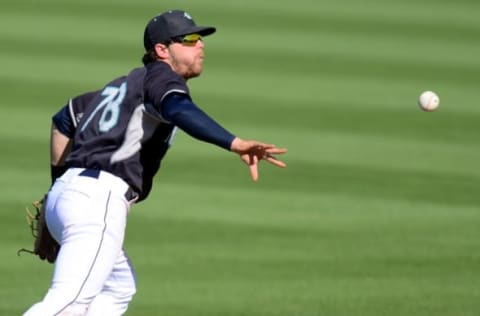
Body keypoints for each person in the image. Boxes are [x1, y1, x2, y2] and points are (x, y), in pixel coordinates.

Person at [23, 9, 287, 316]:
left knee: (118, 287)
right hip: (97, 201)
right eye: (188, 39)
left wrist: (59, 195)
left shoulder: (124, 86)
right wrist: (234, 142)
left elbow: (65, 118)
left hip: (71, 196)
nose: (200, 44)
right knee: (68, 300)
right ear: (162, 50)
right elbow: (178, 109)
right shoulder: (162, 78)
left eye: (200, 38)